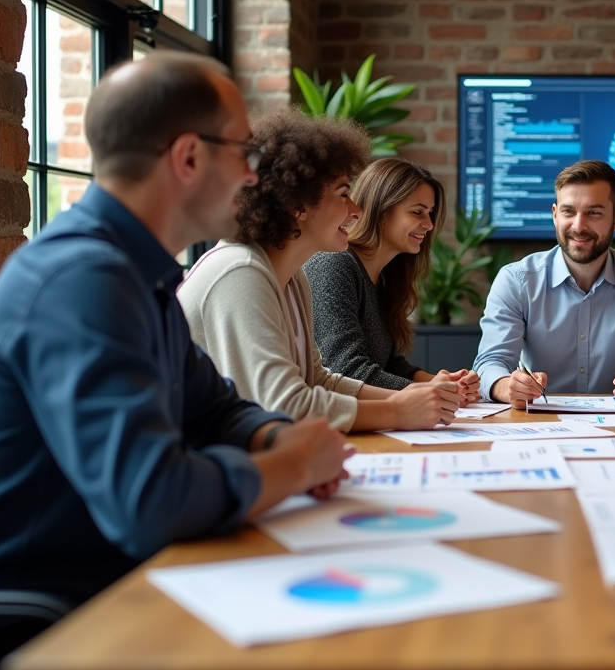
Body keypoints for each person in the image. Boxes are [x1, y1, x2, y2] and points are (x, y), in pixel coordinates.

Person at [0, 53, 351, 660]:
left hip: (130, 580)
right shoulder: (84, 282)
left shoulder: (137, 273)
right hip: (62, 614)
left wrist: (273, 438)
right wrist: (291, 469)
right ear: (188, 157)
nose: (252, 175)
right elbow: (150, 502)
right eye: (245, 154)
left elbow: (214, 407)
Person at [179, 110, 465, 432]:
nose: (356, 211)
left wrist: (412, 398)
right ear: (297, 204)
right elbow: (285, 405)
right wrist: (396, 411)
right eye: (344, 194)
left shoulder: (293, 279)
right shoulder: (239, 272)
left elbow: (318, 380)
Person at [474, 160, 615, 409]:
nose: (579, 226)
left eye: (593, 212)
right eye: (568, 212)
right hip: (539, 422)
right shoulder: (516, 280)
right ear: (554, 214)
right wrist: (507, 387)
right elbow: (490, 363)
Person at [303, 158, 480, 399]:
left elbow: (388, 364)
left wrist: (446, 383)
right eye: (417, 212)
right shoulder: (334, 264)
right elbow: (346, 370)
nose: (428, 225)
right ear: (381, 211)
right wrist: (432, 392)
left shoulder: (384, 278)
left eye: (429, 213)